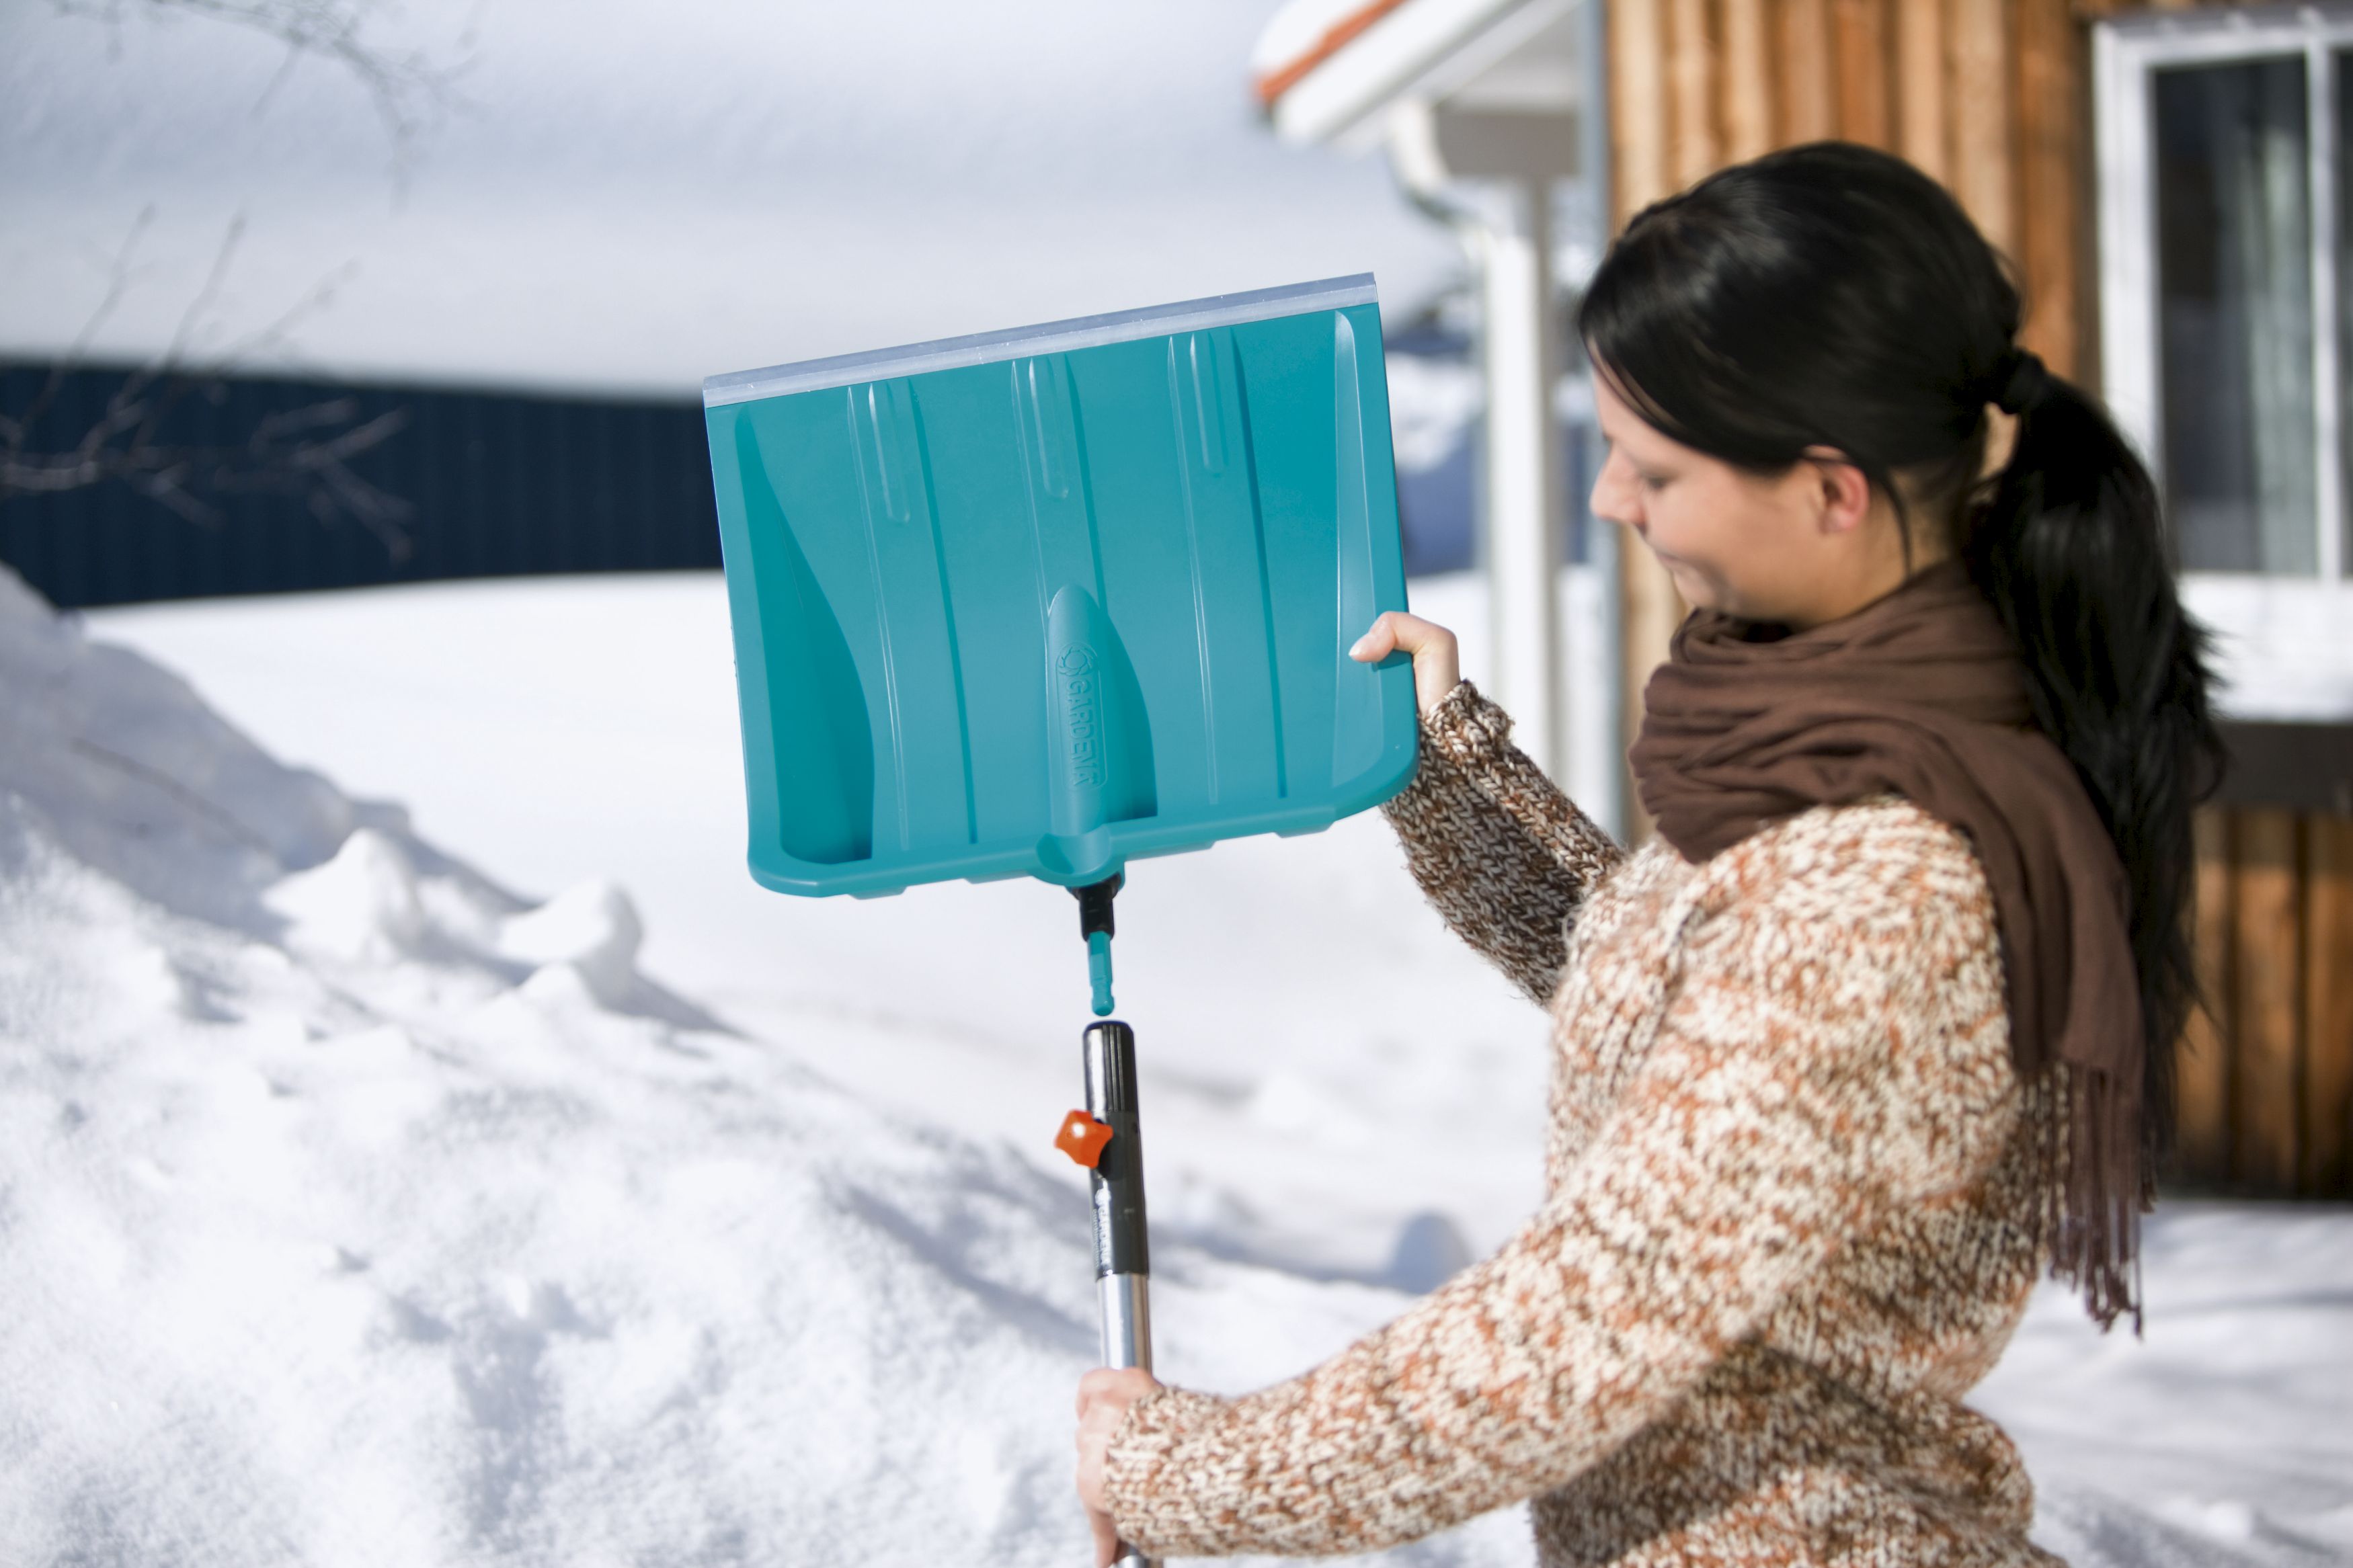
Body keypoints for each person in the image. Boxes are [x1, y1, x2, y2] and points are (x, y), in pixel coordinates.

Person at [1070, 140, 2223, 1567]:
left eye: (1653, 467)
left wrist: (1181, 1473)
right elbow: (1674, 989)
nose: (1610, 498)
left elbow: (1582, 1327)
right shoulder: (1855, 732)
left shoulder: (1888, 873)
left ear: (1830, 492)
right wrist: (1449, 772)